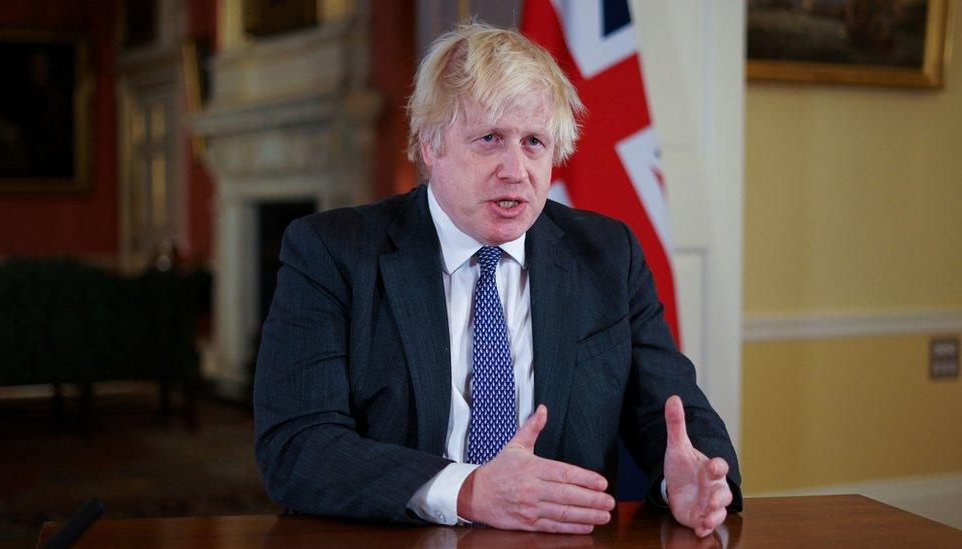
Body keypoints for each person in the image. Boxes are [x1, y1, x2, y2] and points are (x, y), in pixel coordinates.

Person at [253, 23, 741, 537]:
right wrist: (469, 490)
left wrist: (686, 483)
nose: (516, 169)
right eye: (489, 139)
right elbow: (297, 446)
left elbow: (673, 416)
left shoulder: (606, 254)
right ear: (430, 145)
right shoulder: (331, 252)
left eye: (534, 143)